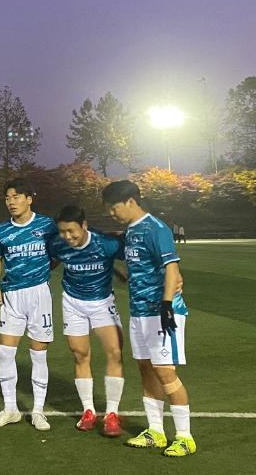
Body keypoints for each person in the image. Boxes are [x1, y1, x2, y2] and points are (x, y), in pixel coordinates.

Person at [102, 180, 196, 457]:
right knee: (145, 368)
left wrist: (166, 304)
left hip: (162, 313)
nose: (112, 213)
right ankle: (156, 431)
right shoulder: (130, 231)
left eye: (114, 208)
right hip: (139, 312)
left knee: (165, 371)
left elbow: (172, 267)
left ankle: (184, 437)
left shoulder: (156, 228)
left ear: (131, 201)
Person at [0, 178, 58, 431]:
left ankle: (38, 411)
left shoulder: (47, 225)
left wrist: (42, 272)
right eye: (7, 198)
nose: (11, 202)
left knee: (38, 353)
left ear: (29, 199)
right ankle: (10, 409)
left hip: (39, 294)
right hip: (11, 295)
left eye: (16, 197)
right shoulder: (1, 231)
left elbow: (57, 254)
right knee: (5, 352)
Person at [49, 205, 125, 437]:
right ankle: (88, 411)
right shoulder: (58, 244)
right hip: (73, 303)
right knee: (80, 354)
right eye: (62, 231)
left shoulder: (106, 244)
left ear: (84, 225)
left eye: (71, 231)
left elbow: (134, 255)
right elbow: (52, 262)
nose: (67, 236)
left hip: (102, 303)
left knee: (114, 353)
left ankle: (112, 413)